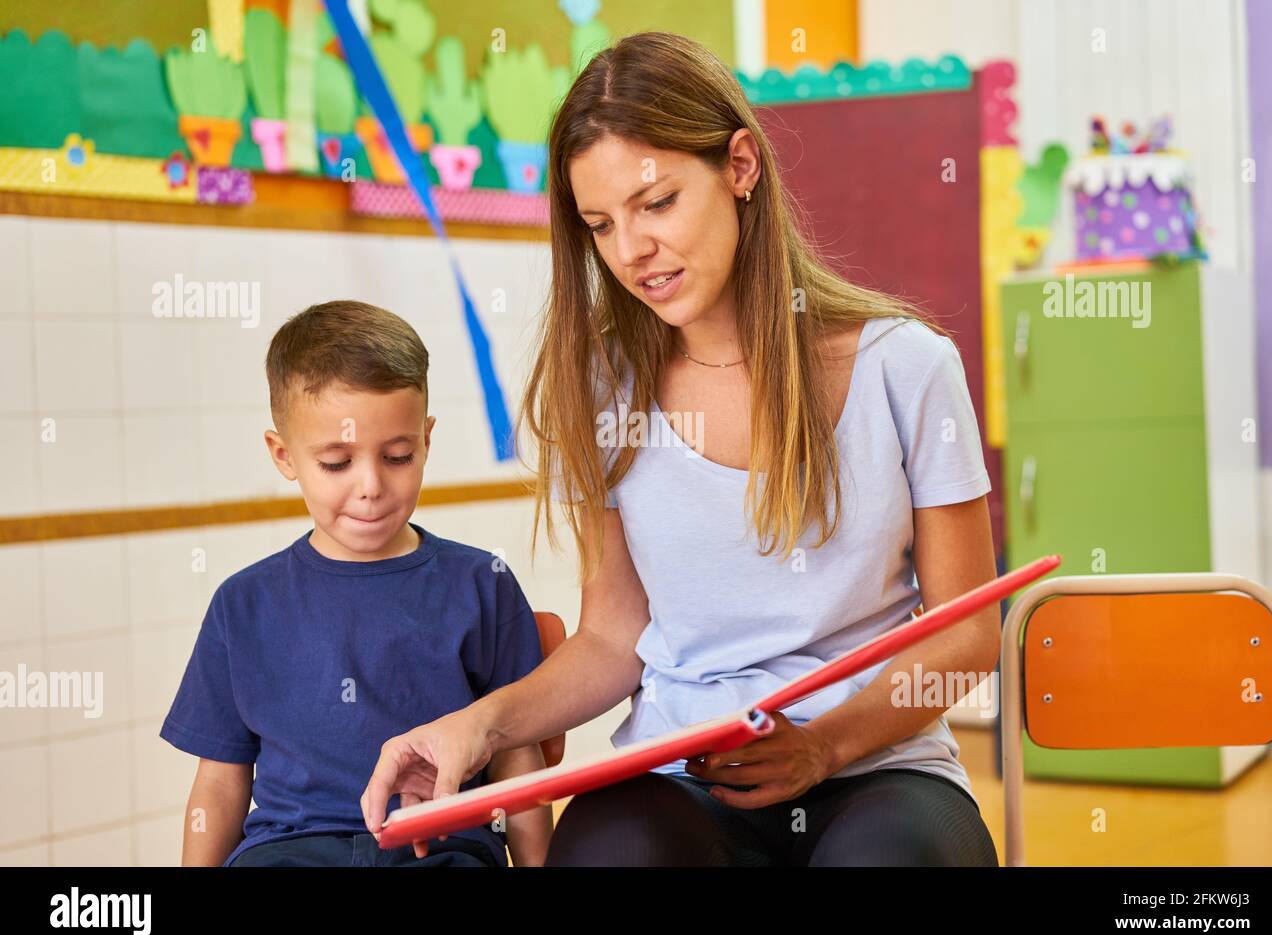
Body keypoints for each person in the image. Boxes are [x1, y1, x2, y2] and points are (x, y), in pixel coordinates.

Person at [361, 31, 1001, 866]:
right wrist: (473, 727)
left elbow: (969, 634)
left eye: (657, 202)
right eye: (600, 223)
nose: (631, 251)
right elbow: (612, 639)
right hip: (682, 770)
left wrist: (824, 746)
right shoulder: (600, 387)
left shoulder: (906, 366)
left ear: (740, 167)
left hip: (877, 766)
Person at [160, 301, 551, 867]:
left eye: (397, 456)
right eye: (337, 463)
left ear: (426, 439)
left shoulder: (480, 584)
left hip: (441, 847)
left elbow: (518, 758)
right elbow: (220, 785)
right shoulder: (242, 605)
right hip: (288, 852)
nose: (371, 486)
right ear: (283, 455)